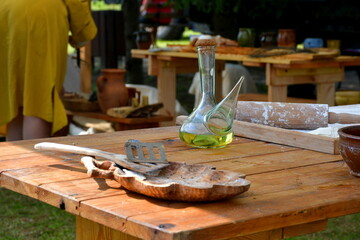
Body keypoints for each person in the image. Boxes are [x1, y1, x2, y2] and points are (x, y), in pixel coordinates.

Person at [0, 0, 97, 141]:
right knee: (38, 101)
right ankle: (35, 162)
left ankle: (15, 163)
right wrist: (83, 32)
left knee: (16, 102)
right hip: (39, 13)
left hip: (5, 11)